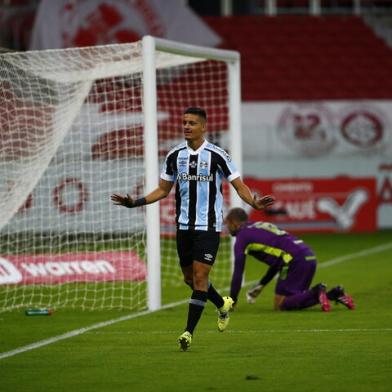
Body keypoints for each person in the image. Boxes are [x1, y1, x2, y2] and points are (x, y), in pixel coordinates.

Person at [111, 107, 275, 351]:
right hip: (184, 227)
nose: (186, 126)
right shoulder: (174, 155)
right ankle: (222, 304)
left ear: (203, 127)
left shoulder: (218, 155)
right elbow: (163, 189)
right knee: (190, 279)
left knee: (200, 277)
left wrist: (253, 202)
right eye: (184, 122)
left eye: (192, 123)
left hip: (208, 227)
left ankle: (188, 333)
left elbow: (238, 185)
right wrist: (135, 202)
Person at [224, 207, 355, 312]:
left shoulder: (242, 237)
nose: (226, 227)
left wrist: (232, 301)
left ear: (234, 223)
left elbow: (238, 273)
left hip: (293, 260)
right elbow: (277, 261)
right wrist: (261, 284)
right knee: (296, 300)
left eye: (227, 223)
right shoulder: (259, 225)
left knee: (280, 305)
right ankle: (334, 293)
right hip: (308, 255)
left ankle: (317, 290)